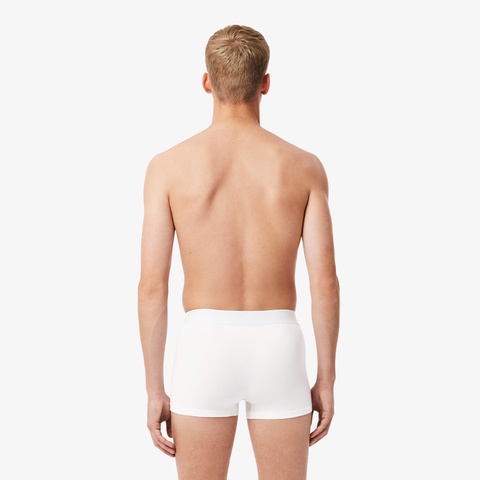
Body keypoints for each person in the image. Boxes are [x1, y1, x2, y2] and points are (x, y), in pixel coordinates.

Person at [138, 24, 340, 479]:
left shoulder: (167, 168)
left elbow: (152, 286)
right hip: (278, 345)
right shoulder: (304, 167)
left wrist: (154, 389)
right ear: (265, 83)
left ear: (206, 82)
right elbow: (325, 284)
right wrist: (326, 378)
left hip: (203, 347)